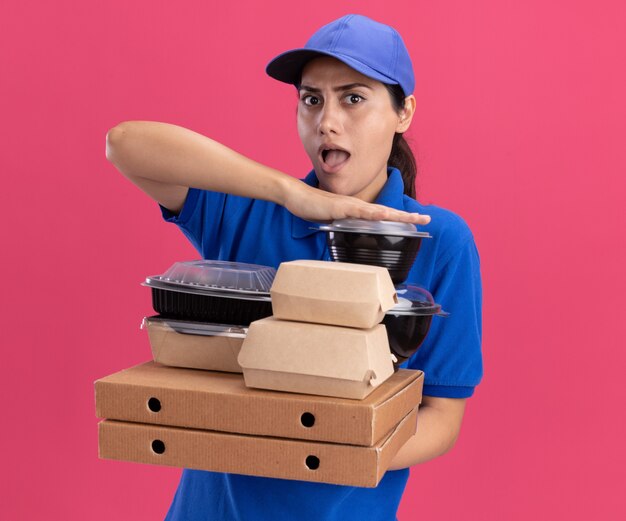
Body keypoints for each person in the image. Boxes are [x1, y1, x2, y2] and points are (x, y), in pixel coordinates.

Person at [106, 14, 482, 521]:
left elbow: (441, 415)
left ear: (404, 112)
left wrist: (318, 449)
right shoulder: (249, 213)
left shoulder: (440, 241)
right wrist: (291, 193)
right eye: (311, 99)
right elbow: (125, 143)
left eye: (353, 98)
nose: (327, 121)